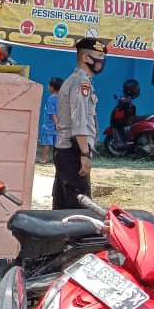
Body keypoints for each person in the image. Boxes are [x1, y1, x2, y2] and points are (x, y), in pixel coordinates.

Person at [53, 38, 106, 210]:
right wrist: (85, 153)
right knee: (79, 209)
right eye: (99, 56)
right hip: (73, 150)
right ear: (85, 58)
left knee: (63, 207)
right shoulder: (80, 82)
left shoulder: (80, 80)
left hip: (67, 149)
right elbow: (79, 120)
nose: (102, 61)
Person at [39, 77, 63, 164]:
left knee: (46, 142)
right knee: (57, 144)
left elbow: (51, 112)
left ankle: (43, 159)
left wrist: (55, 123)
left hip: (49, 125)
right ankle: (55, 159)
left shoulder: (50, 98)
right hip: (60, 124)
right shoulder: (62, 98)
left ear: (52, 87)